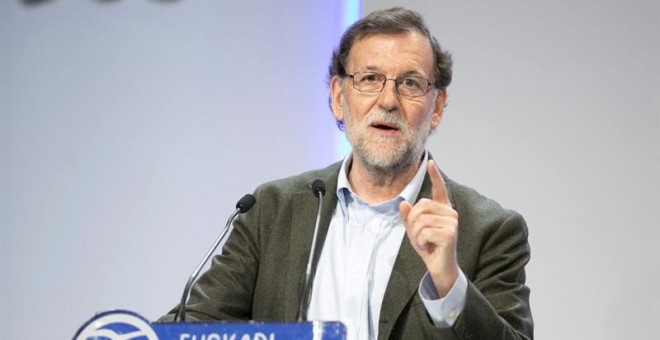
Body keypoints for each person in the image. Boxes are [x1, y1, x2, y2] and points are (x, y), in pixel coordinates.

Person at [162, 7, 533, 340]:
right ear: (339, 97)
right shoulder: (270, 212)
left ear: (436, 107)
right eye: (370, 78)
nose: (388, 101)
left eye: (410, 83)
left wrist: (449, 284)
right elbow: (194, 325)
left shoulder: (488, 230)